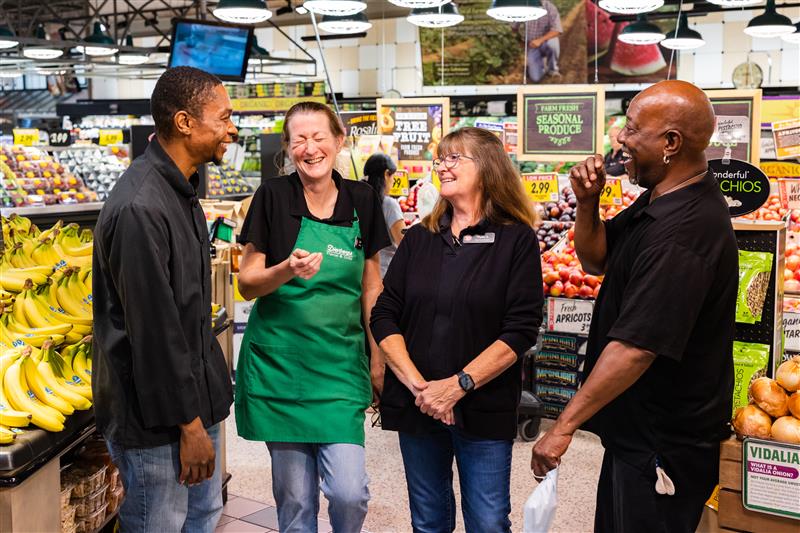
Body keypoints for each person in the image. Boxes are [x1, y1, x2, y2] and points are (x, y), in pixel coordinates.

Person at [530, 80, 737, 533]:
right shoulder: (660, 199)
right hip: (638, 436)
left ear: (670, 143)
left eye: (632, 129)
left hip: (665, 446)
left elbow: (635, 348)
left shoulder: (685, 232)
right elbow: (595, 258)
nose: (620, 139)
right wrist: (587, 203)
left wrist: (563, 425)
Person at [370, 127, 544, 533]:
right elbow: (384, 314)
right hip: (418, 406)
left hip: (483, 407)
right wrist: (419, 386)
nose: (443, 167)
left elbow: (520, 330)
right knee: (428, 521)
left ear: (486, 169)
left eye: (454, 158)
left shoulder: (516, 240)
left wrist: (458, 385)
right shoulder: (419, 240)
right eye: (441, 158)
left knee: (486, 521)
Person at [235, 101, 390, 533]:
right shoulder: (272, 196)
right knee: (296, 503)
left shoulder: (362, 199)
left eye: (319, 137)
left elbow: (371, 285)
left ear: (339, 141)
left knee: (349, 492)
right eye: (298, 139)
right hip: (280, 370)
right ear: (288, 148)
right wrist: (287, 269)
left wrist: (377, 357)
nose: (310, 148)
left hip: (339, 367)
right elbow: (247, 282)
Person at [93, 66, 235, 533]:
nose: (231, 129)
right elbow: (153, 333)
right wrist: (189, 426)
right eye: (223, 117)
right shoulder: (140, 207)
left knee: (202, 517)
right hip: (160, 423)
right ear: (184, 122)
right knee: (161, 523)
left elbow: (187, 312)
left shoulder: (180, 190)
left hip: (192, 404)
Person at [363, 152, 404, 277]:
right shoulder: (389, 204)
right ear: (386, 174)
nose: (393, 181)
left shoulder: (360, 201)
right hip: (386, 273)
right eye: (393, 176)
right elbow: (403, 243)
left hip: (363, 272)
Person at [523, 0, 563, 82]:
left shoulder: (550, 7)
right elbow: (514, 27)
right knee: (535, 78)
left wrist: (540, 40)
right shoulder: (524, 7)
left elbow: (557, 30)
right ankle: (540, 66)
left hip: (546, 41)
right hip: (532, 45)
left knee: (552, 44)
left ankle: (552, 70)